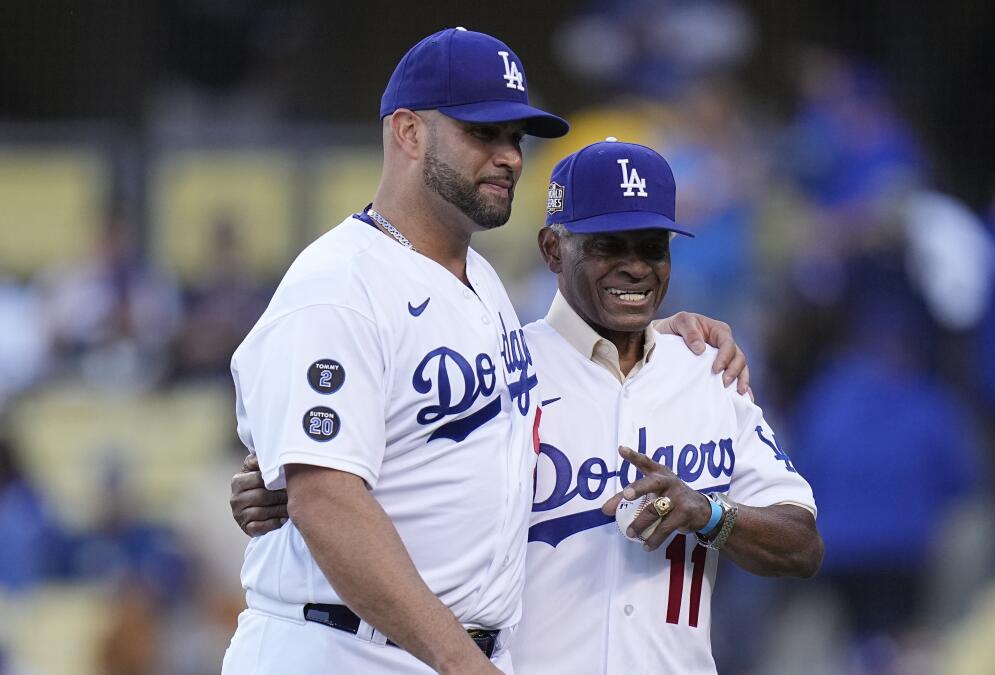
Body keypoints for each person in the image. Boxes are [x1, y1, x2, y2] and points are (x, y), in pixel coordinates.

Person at [221, 29, 746, 675]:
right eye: (482, 132)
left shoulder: (482, 283)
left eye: (515, 138)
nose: (508, 157)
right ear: (409, 132)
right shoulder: (340, 287)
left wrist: (651, 332)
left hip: (432, 649)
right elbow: (328, 499)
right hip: (344, 646)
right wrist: (460, 662)